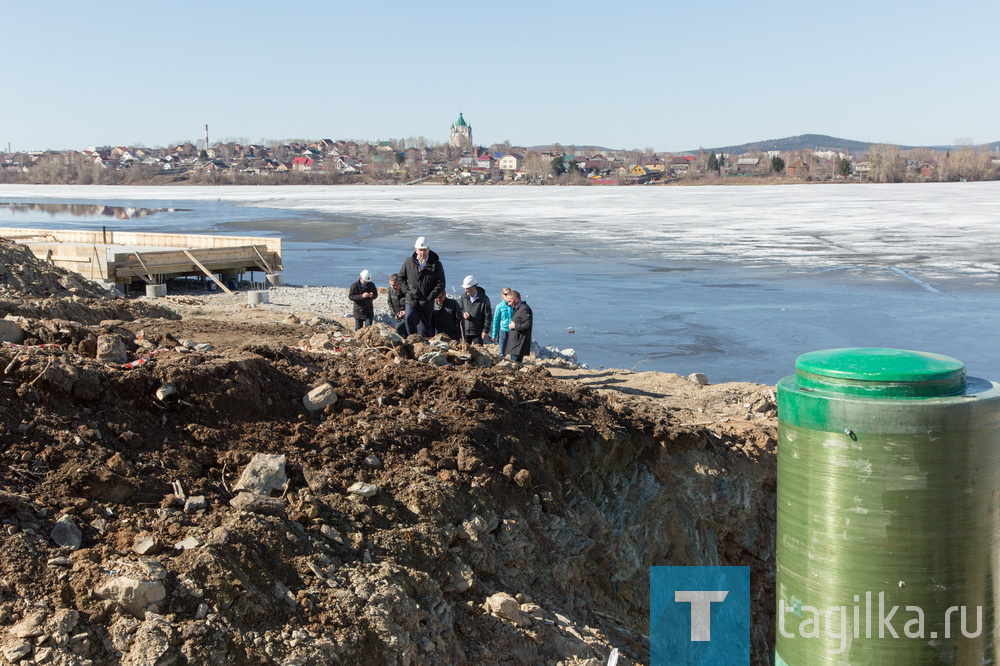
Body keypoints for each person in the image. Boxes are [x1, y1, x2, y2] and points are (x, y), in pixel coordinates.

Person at [398, 236, 445, 337]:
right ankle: (411, 340)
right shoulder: (409, 262)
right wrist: (407, 291)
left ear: (428, 249)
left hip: (426, 302)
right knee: (409, 317)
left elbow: (441, 284)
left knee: (424, 330)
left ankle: (424, 346)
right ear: (416, 250)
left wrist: (429, 297)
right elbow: (401, 278)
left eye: (424, 250)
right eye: (420, 250)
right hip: (411, 299)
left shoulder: (436, 264)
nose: (422, 253)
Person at [458, 275, 492, 345]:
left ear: (473, 287)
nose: (465, 290)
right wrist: (463, 313)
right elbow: (460, 309)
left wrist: (485, 331)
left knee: (478, 353)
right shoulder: (463, 297)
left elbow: (488, 316)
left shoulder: (484, 299)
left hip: (478, 332)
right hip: (465, 331)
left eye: (467, 288)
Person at [506, 290, 532, 363]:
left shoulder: (524, 309)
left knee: (516, 365)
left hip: (519, 344)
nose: (508, 304)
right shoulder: (518, 308)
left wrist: (515, 326)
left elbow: (528, 324)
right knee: (513, 364)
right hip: (515, 343)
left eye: (510, 301)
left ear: (516, 299)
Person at [491, 286, 513, 355]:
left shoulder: (514, 305)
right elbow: (496, 321)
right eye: (505, 294)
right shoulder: (499, 306)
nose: (507, 296)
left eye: (509, 294)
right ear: (502, 295)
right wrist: (494, 335)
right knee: (502, 351)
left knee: (512, 350)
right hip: (503, 330)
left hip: (513, 330)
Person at [386, 273, 407, 337]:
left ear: (400, 283)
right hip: (397, 316)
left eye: (395, 285)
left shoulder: (407, 291)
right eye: (391, 285)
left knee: (398, 327)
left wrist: (405, 313)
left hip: (408, 317)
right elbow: (390, 302)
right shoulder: (390, 290)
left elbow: (412, 303)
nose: (393, 287)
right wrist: (395, 314)